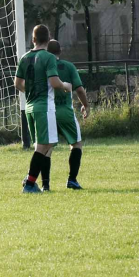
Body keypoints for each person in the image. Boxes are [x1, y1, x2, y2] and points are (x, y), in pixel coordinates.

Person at [13, 25, 72, 194]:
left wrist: (31, 91)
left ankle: (32, 180)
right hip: (44, 106)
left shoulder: (24, 57)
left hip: (30, 107)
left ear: (33, 39)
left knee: (47, 143)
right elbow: (54, 82)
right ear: (48, 38)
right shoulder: (48, 57)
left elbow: (17, 83)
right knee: (44, 145)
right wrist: (66, 85)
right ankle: (30, 182)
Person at [46, 40, 89, 190]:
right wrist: (86, 105)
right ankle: (72, 179)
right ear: (60, 51)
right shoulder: (69, 67)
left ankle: (45, 184)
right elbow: (80, 90)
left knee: (47, 147)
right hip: (65, 111)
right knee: (76, 144)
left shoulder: (42, 65)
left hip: (46, 111)